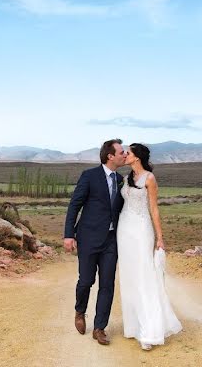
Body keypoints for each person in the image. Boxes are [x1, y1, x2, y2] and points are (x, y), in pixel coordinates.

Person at [116, 142, 182, 350]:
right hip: (123, 229)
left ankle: (150, 331)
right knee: (129, 277)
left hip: (141, 229)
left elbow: (154, 209)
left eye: (128, 153)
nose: (125, 155)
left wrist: (159, 238)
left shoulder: (149, 178)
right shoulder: (127, 178)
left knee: (144, 276)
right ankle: (134, 327)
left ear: (137, 157)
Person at [63, 138, 126, 345]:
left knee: (107, 284)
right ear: (110, 156)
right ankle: (80, 311)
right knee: (86, 281)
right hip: (89, 238)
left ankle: (100, 328)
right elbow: (75, 205)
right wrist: (68, 235)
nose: (124, 155)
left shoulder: (120, 180)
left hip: (111, 240)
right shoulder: (89, 176)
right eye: (121, 152)